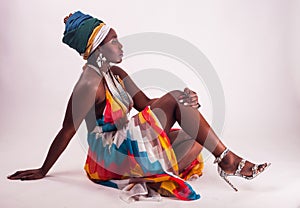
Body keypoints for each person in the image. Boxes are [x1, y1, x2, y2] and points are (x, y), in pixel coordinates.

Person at [7, 11, 270, 202]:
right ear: (97, 49)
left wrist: (185, 107)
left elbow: (147, 105)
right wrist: (43, 170)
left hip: (130, 140)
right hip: (110, 154)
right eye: (113, 41)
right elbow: (67, 131)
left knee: (196, 138)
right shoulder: (88, 85)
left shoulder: (116, 73)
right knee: (178, 99)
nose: (120, 45)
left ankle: (152, 169)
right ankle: (229, 161)